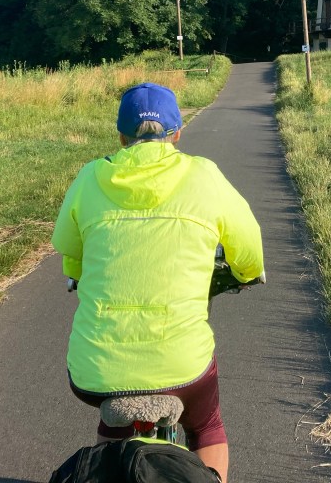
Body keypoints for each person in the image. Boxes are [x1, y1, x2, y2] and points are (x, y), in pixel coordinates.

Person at [52, 82, 265, 483]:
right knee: (206, 425)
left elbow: (70, 249)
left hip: (95, 372)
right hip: (183, 368)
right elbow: (249, 244)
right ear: (177, 133)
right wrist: (244, 273)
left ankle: (110, 465)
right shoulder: (204, 175)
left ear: (121, 137)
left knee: (113, 420)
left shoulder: (89, 177)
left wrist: (79, 273)